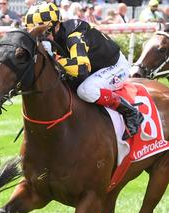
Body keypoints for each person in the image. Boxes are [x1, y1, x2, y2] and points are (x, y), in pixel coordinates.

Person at [24, 2, 143, 140]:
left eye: (46, 32)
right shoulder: (53, 35)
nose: (42, 38)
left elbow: (81, 69)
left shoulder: (74, 35)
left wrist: (54, 57)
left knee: (86, 90)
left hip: (114, 66)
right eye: (36, 34)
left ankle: (130, 111)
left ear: (57, 25)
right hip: (92, 68)